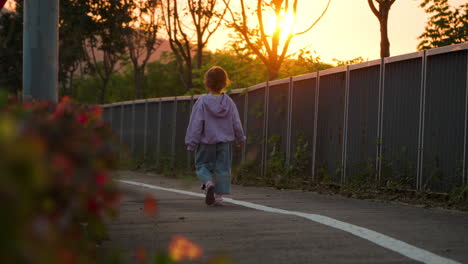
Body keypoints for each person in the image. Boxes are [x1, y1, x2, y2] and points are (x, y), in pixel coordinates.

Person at [185, 66, 246, 206]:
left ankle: (208, 184)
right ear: (225, 83)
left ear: (207, 83)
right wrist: (240, 138)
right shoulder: (229, 102)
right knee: (223, 169)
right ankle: (218, 197)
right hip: (224, 143)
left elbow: (196, 124)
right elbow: (236, 122)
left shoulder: (202, 102)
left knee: (202, 165)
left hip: (206, 142)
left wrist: (191, 142)